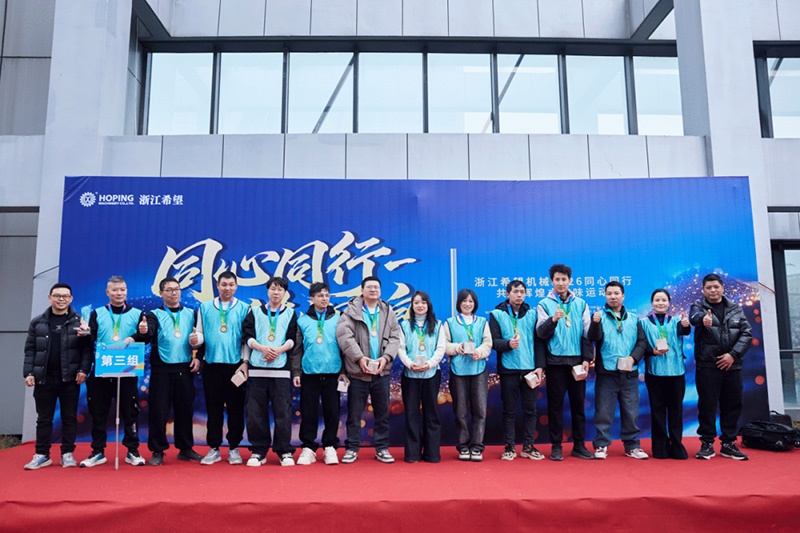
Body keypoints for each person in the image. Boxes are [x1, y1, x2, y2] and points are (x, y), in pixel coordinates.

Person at [23, 283, 92, 470]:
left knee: (69, 418)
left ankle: (67, 454)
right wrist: (28, 372)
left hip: (70, 379)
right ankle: (42, 454)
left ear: (71, 299)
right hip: (44, 378)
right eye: (57, 296)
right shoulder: (37, 322)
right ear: (50, 298)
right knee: (43, 419)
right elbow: (30, 350)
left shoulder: (80, 322)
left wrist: (83, 370)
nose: (61, 299)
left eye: (65, 296)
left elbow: (87, 350)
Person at [80, 276, 147, 468]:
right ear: (107, 292)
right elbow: (89, 340)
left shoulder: (137, 314)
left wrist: (140, 334)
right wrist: (85, 333)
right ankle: (98, 451)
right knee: (98, 411)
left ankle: (132, 451)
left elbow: (146, 338)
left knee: (130, 411)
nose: (119, 293)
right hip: (102, 368)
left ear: (127, 291)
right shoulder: (97, 313)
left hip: (127, 369)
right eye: (115, 290)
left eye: (122, 290)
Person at [336, 276, 401, 464]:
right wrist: (359, 358)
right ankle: (352, 449)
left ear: (380, 290)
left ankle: (382, 449)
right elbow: (345, 337)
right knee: (354, 414)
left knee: (382, 413)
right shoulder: (350, 312)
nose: (373, 290)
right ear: (362, 290)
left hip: (381, 372)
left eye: (376, 287)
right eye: (369, 287)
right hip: (358, 372)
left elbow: (395, 337)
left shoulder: (388, 311)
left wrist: (385, 358)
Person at [690, 273, 753, 460]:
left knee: (732, 405)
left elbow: (747, 334)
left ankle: (728, 444)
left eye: (716, 287)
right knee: (707, 406)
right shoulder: (698, 307)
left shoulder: (735, 309)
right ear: (703, 290)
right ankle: (707, 444)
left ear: (722, 288)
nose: (713, 291)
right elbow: (694, 318)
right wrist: (703, 319)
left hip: (732, 365)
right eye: (708, 288)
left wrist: (732, 355)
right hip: (708, 366)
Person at [191, 271, 249, 465]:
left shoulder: (244, 308)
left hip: (235, 367)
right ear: (217, 285)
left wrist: (245, 362)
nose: (227, 288)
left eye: (231, 285)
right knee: (213, 408)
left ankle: (234, 448)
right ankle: (214, 448)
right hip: (212, 365)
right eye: (224, 284)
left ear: (236, 286)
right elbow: (200, 333)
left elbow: (247, 339)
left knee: (236, 409)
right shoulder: (205, 307)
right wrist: (195, 340)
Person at [536, 264, 593, 461]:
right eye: (557, 279)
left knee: (578, 406)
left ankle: (579, 445)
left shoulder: (581, 304)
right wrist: (552, 320)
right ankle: (556, 446)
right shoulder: (544, 304)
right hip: (555, 363)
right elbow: (540, 333)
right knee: (555, 406)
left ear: (570, 281)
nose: (560, 283)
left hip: (577, 362)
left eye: (564, 279)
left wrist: (586, 359)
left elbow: (587, 334)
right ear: (551, 282)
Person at [143, 277, 202, 466]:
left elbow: (201, 338)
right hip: (161, 369)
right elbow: (148, 334)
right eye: (169, 290)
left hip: (184, 368)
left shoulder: (191, 313)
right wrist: (144, 331)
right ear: (161, 293)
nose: (174, 293)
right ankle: (157, 450)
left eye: (176, 289)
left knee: (185, 409)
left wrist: (198, 356)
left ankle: (185, 449)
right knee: (158, 411)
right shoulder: (153, 315)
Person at [240, 276, 298, 467]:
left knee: (283, 413)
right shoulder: (255, 311)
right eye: (273, 289)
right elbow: (247, 335)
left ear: (285, 293)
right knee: (255, 413)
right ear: (267, 291)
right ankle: (259, 451)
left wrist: (278, 350)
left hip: (280, 370)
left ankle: (284, 451)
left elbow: (292, 338)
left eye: (280, 289)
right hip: (257, 369)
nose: (276, 292)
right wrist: (262, 348)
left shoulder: (290, 313)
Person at [587, 281, 648, 460]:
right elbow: (593, 337)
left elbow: (642, 342)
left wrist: (633, 358)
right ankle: (601, 445)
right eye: (609, 294)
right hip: (607, 373)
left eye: (616, 293)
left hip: (629, 373)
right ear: (605, 296)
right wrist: (595, 323)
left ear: (623, 296)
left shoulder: (634, 319)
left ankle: (632, 446)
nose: (613, 297)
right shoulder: (599, 316)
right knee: (603, 412)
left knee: (631, 412)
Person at [293, 282, 349, 466]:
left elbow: (344, 348)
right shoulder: (302, 321)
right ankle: (308, 447)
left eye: (327, 295)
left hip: (333, 374)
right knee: (308, 412)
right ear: (311, 298)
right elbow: (297, 350)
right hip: (309, 374)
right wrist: (296, 372)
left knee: (332, 412)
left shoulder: (339, 319)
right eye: (320, 295)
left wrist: (343, 372)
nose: (324, 299)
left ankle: (330, 446)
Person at [631, 289, 691, 460]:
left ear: (669, 303)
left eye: (664, 300)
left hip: (676, 373)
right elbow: (641, 345)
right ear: (652, 303)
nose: (660, 303)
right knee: (657, 412)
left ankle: (677, 445)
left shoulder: (677, 321)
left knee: (676, 411)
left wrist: (686, 326)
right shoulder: (643, 323)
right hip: (654, 373)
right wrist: (653, 351)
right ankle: (660, 448)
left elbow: (685, 331)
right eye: (657, 300)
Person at [490, 280, 545, 461]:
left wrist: (540, 366)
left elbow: (539, 342)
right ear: (507, 294)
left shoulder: (532, 314)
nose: (519, 295)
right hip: (509, 369)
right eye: (515, 291)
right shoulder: (497, 314)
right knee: (509, 411)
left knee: (531, 410)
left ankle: (528, 447)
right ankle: (509, 447)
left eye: (522, 291)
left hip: (530, 369)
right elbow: (493, 341)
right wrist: (507, 344)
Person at [443, 289, 493, 461]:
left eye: (471, 301)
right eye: (464, 301)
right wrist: (458, 348)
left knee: (480, 410)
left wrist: (479, 352)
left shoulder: (482, 322)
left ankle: (477, 446)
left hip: (478, 369)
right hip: (458, 370)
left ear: (475, 304)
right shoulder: (450, 323)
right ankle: (463, 445)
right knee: (460, 410)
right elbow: (444, 345)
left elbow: (488, 343)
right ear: (459, 303)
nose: (467, 304)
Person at [397, 291, 445, 463]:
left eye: (423, 302)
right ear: (412, 306)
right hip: (410, 375)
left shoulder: (438, 325)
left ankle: (432, 453)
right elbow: (400, 348)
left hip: (431, 374)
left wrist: (430, 364)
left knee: (431, 414)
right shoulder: (404, 326)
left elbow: (441, 348)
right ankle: (412, 454)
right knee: (411, 414)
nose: (420, 305)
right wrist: (410, 364)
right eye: (416, 302)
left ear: (428, 305)